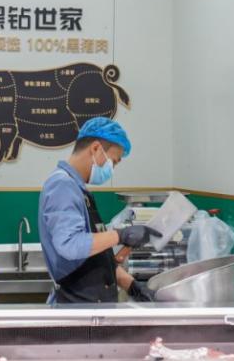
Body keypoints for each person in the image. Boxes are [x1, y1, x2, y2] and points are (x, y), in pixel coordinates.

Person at [38, 117, 159, 304]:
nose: (112, 170)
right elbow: (70, 244)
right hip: (77, 305)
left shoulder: (80, 190)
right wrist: (120, 235)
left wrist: (131, 286)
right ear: (95, 148)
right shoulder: (62, 185)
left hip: (93, 303)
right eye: (113, 162)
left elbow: (95, 256)